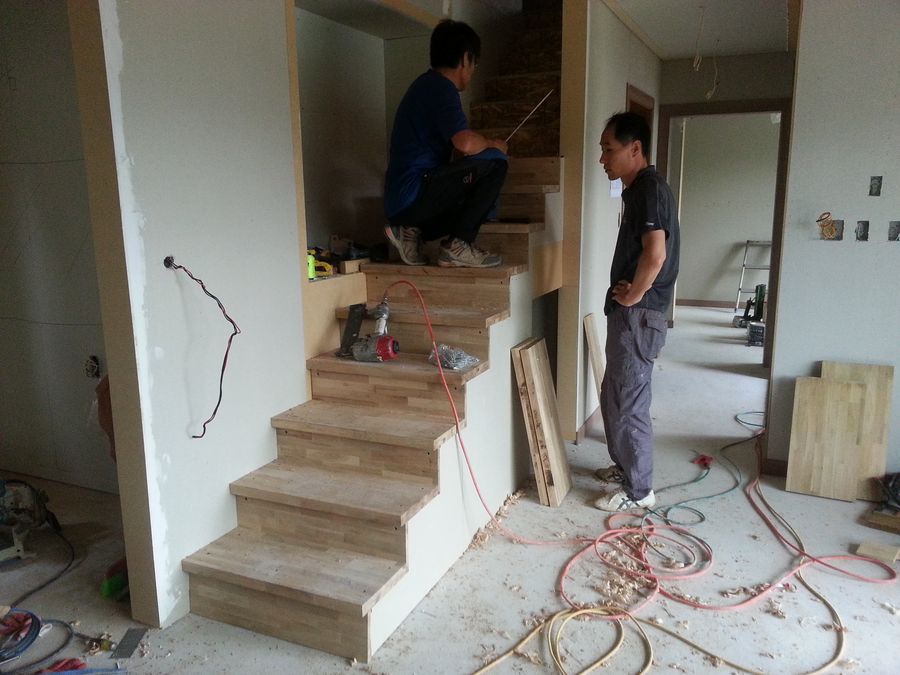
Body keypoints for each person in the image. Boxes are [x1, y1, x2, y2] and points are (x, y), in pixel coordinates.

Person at [593, 112, 680, 512]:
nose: (602, 159)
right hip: (632, 315)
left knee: (629, 403)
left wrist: (634, 296)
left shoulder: (649, 189)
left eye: (608, 150)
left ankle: (640, 491)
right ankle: (625, 469)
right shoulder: (637, 190)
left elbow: (655, 253)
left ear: (635, 149)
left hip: (640, 315)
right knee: (614, 394)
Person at [383, 19, 508, 268]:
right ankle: (458, 245)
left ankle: (409, 232)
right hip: (413, 194)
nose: (472, 71)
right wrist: (492, 144)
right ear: (465, 59)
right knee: (496, 162)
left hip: (402, 203)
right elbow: (465, 143)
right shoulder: (441, 88)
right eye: (474, 64)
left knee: (481, 198)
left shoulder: (425, 85)